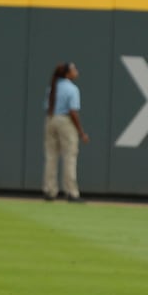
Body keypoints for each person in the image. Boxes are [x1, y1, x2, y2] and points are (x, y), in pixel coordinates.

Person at [43, 62, 88, 202]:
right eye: (74, 69)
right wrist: (81, 132)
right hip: (65, 122)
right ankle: (71, 192)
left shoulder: (53, 87)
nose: (76, 71)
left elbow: (46, 106)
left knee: (51, 157)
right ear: (68, 73)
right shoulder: (72, 89)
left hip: (50, 120)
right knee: (69, 157)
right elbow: (73, 111)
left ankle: (50, 191)